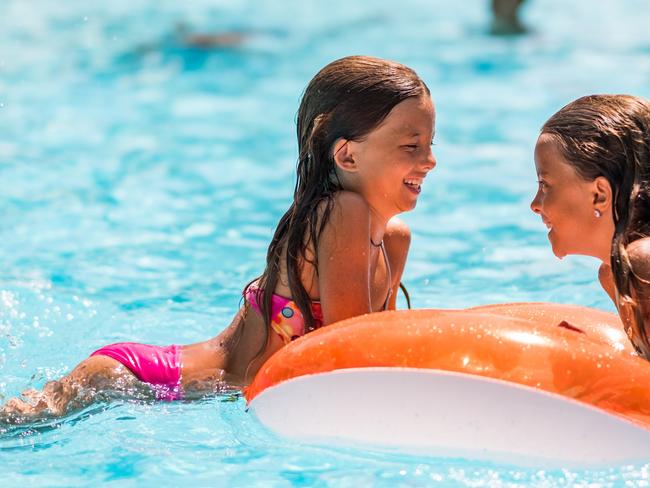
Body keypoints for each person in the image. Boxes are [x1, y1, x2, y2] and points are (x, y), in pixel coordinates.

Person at [1, 56, 436, 421]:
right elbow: (349, 353)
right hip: (142, 380)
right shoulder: (342, 211)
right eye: (411, 146)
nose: (430, 161)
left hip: (194, 398)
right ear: (347, 154)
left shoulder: (394, 240)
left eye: (431, 144)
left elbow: (378, 357)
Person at [530, 94, 650, 358]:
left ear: (600, 195)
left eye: (544, 185)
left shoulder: (643, 265)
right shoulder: (612, 275)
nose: (535, 204)